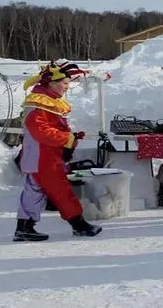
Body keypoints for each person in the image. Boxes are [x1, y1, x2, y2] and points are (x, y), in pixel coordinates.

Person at [12, 61, 103, 242]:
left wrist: (70, 138)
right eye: (65, 83)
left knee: (34, 192)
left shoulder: (46, 102)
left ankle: (24, 227)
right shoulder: (38, 104)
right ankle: (78, 225)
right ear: (52, 83)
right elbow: (41, 131)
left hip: (42, 157)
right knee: (60, 191)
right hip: (42, 158)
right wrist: (65, 138)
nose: (67, 88)